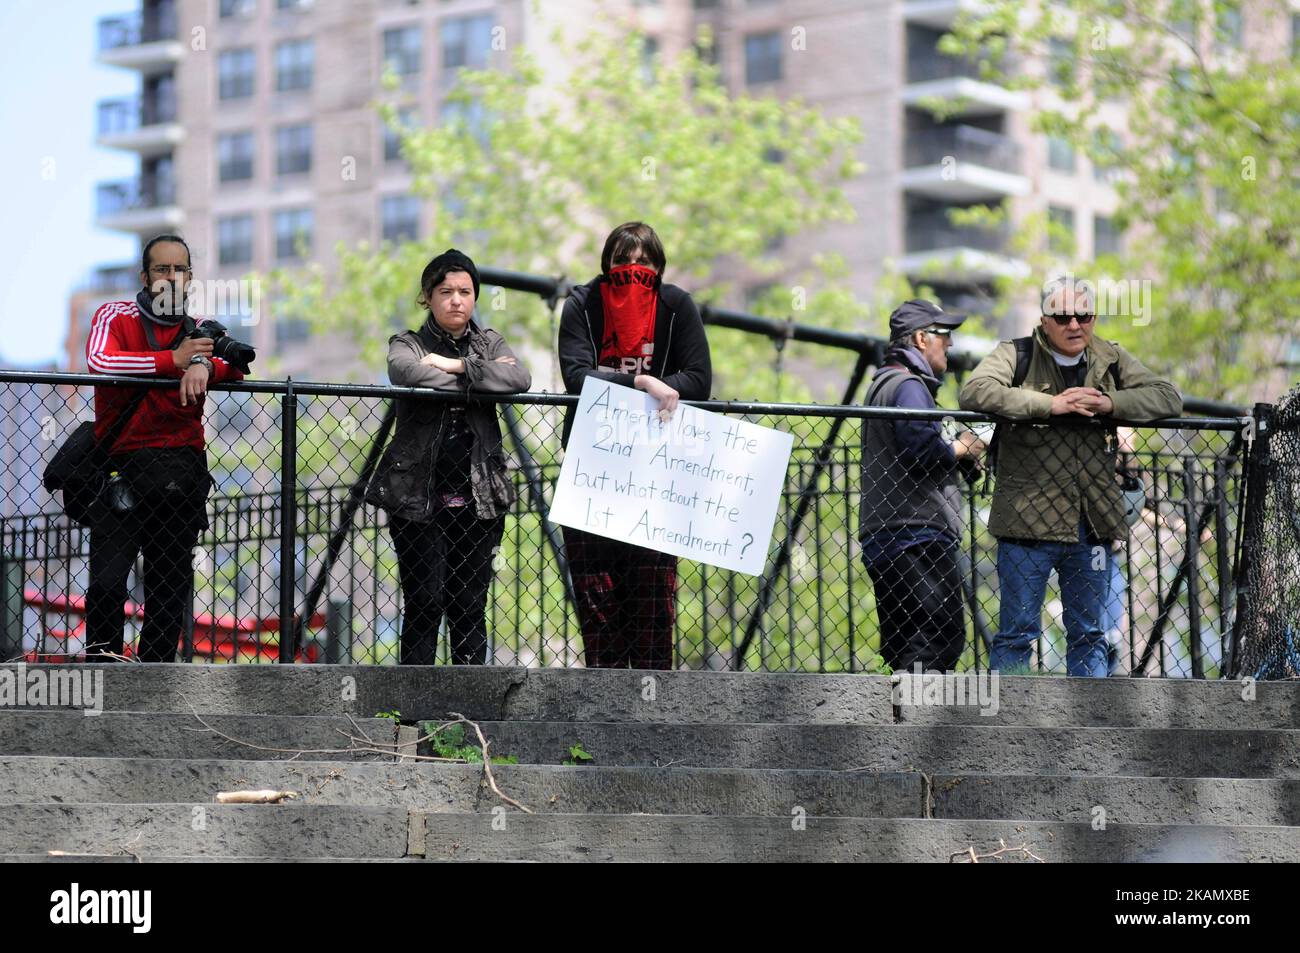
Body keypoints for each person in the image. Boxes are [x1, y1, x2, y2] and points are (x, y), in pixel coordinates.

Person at [958, 276, 1182, 676]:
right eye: (1062, 316)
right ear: (1045, 320)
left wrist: (1111, 402)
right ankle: (1007, 726)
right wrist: (1049, 405)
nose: (1074, 324)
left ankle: (1090, 729)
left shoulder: (1111, 358)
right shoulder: (1017, 353)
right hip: (1026, 524)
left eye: (1084, 315)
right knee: (1016, 634)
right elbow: (976, 391)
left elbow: (1168, 397)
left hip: (1091, 524)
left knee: (1091, 633)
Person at [557, 222, 712, 669]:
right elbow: (577, 375)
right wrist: (642, 382)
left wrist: (659, 386)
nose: (633, 269)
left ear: (659, 268)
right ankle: (604, 712)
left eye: (643, 262)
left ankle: (652, 710)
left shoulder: (676, 305)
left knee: (652, 599)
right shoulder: (583, 304)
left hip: (657, 470)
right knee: (597, 597)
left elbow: (699, 379)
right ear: (606, 266)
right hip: (593, 466)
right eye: (622, 261)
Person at [365, 249, 531, 665]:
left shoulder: (489, 340)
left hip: (480, 496)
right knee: (424, 603)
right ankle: (412, 716)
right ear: (428, 297)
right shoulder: (408, 342)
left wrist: (453, 365)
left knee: (470, 608)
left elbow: (518, 378)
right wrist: (477, 380)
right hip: (416, 498)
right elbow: (406, 371)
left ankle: (468, 715)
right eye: (446, 291)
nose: (456, 300)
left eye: (465, 291)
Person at [84, 234, 245, 661]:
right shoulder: (114, 315)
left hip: (180, 472)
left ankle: (152, 676)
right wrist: (171, 362)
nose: (171, 277)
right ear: (144, 276)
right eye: (162, 269)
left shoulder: (199, 327)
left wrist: (203, 362)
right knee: (106, 581)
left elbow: (239, 366)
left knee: (169, 583)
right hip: (119, 472)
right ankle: (103, 669)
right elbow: (100, 361)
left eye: (180, 269)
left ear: (190, 277)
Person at [859, 300, 984, 674]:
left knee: (902, 641)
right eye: (944, 335)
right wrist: (967, 446)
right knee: (940, 634)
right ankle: (915, 726)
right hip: (917, 534)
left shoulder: (884, 384)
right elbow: (921, 451)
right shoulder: (910, 386)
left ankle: (896, 721)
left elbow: (915, 448)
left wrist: (955, 454)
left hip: (884, 534)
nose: (949, 345)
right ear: (920, 338)